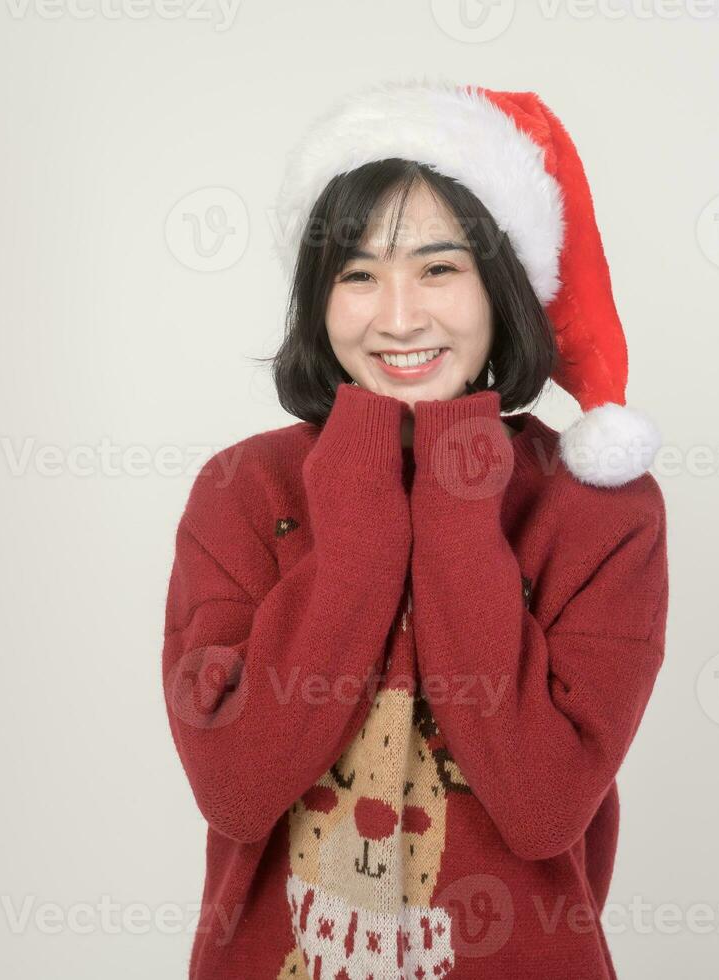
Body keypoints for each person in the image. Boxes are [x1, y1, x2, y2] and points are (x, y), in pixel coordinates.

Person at [161, 76, 670, 980]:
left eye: (439, 268)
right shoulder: (243, 489)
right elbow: (238, 790)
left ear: (501, 285)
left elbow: (542, 806)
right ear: (319, 298)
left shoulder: (599, 512)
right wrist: (360, 493)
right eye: (358, 275)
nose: (398, 317)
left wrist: (456, 476)